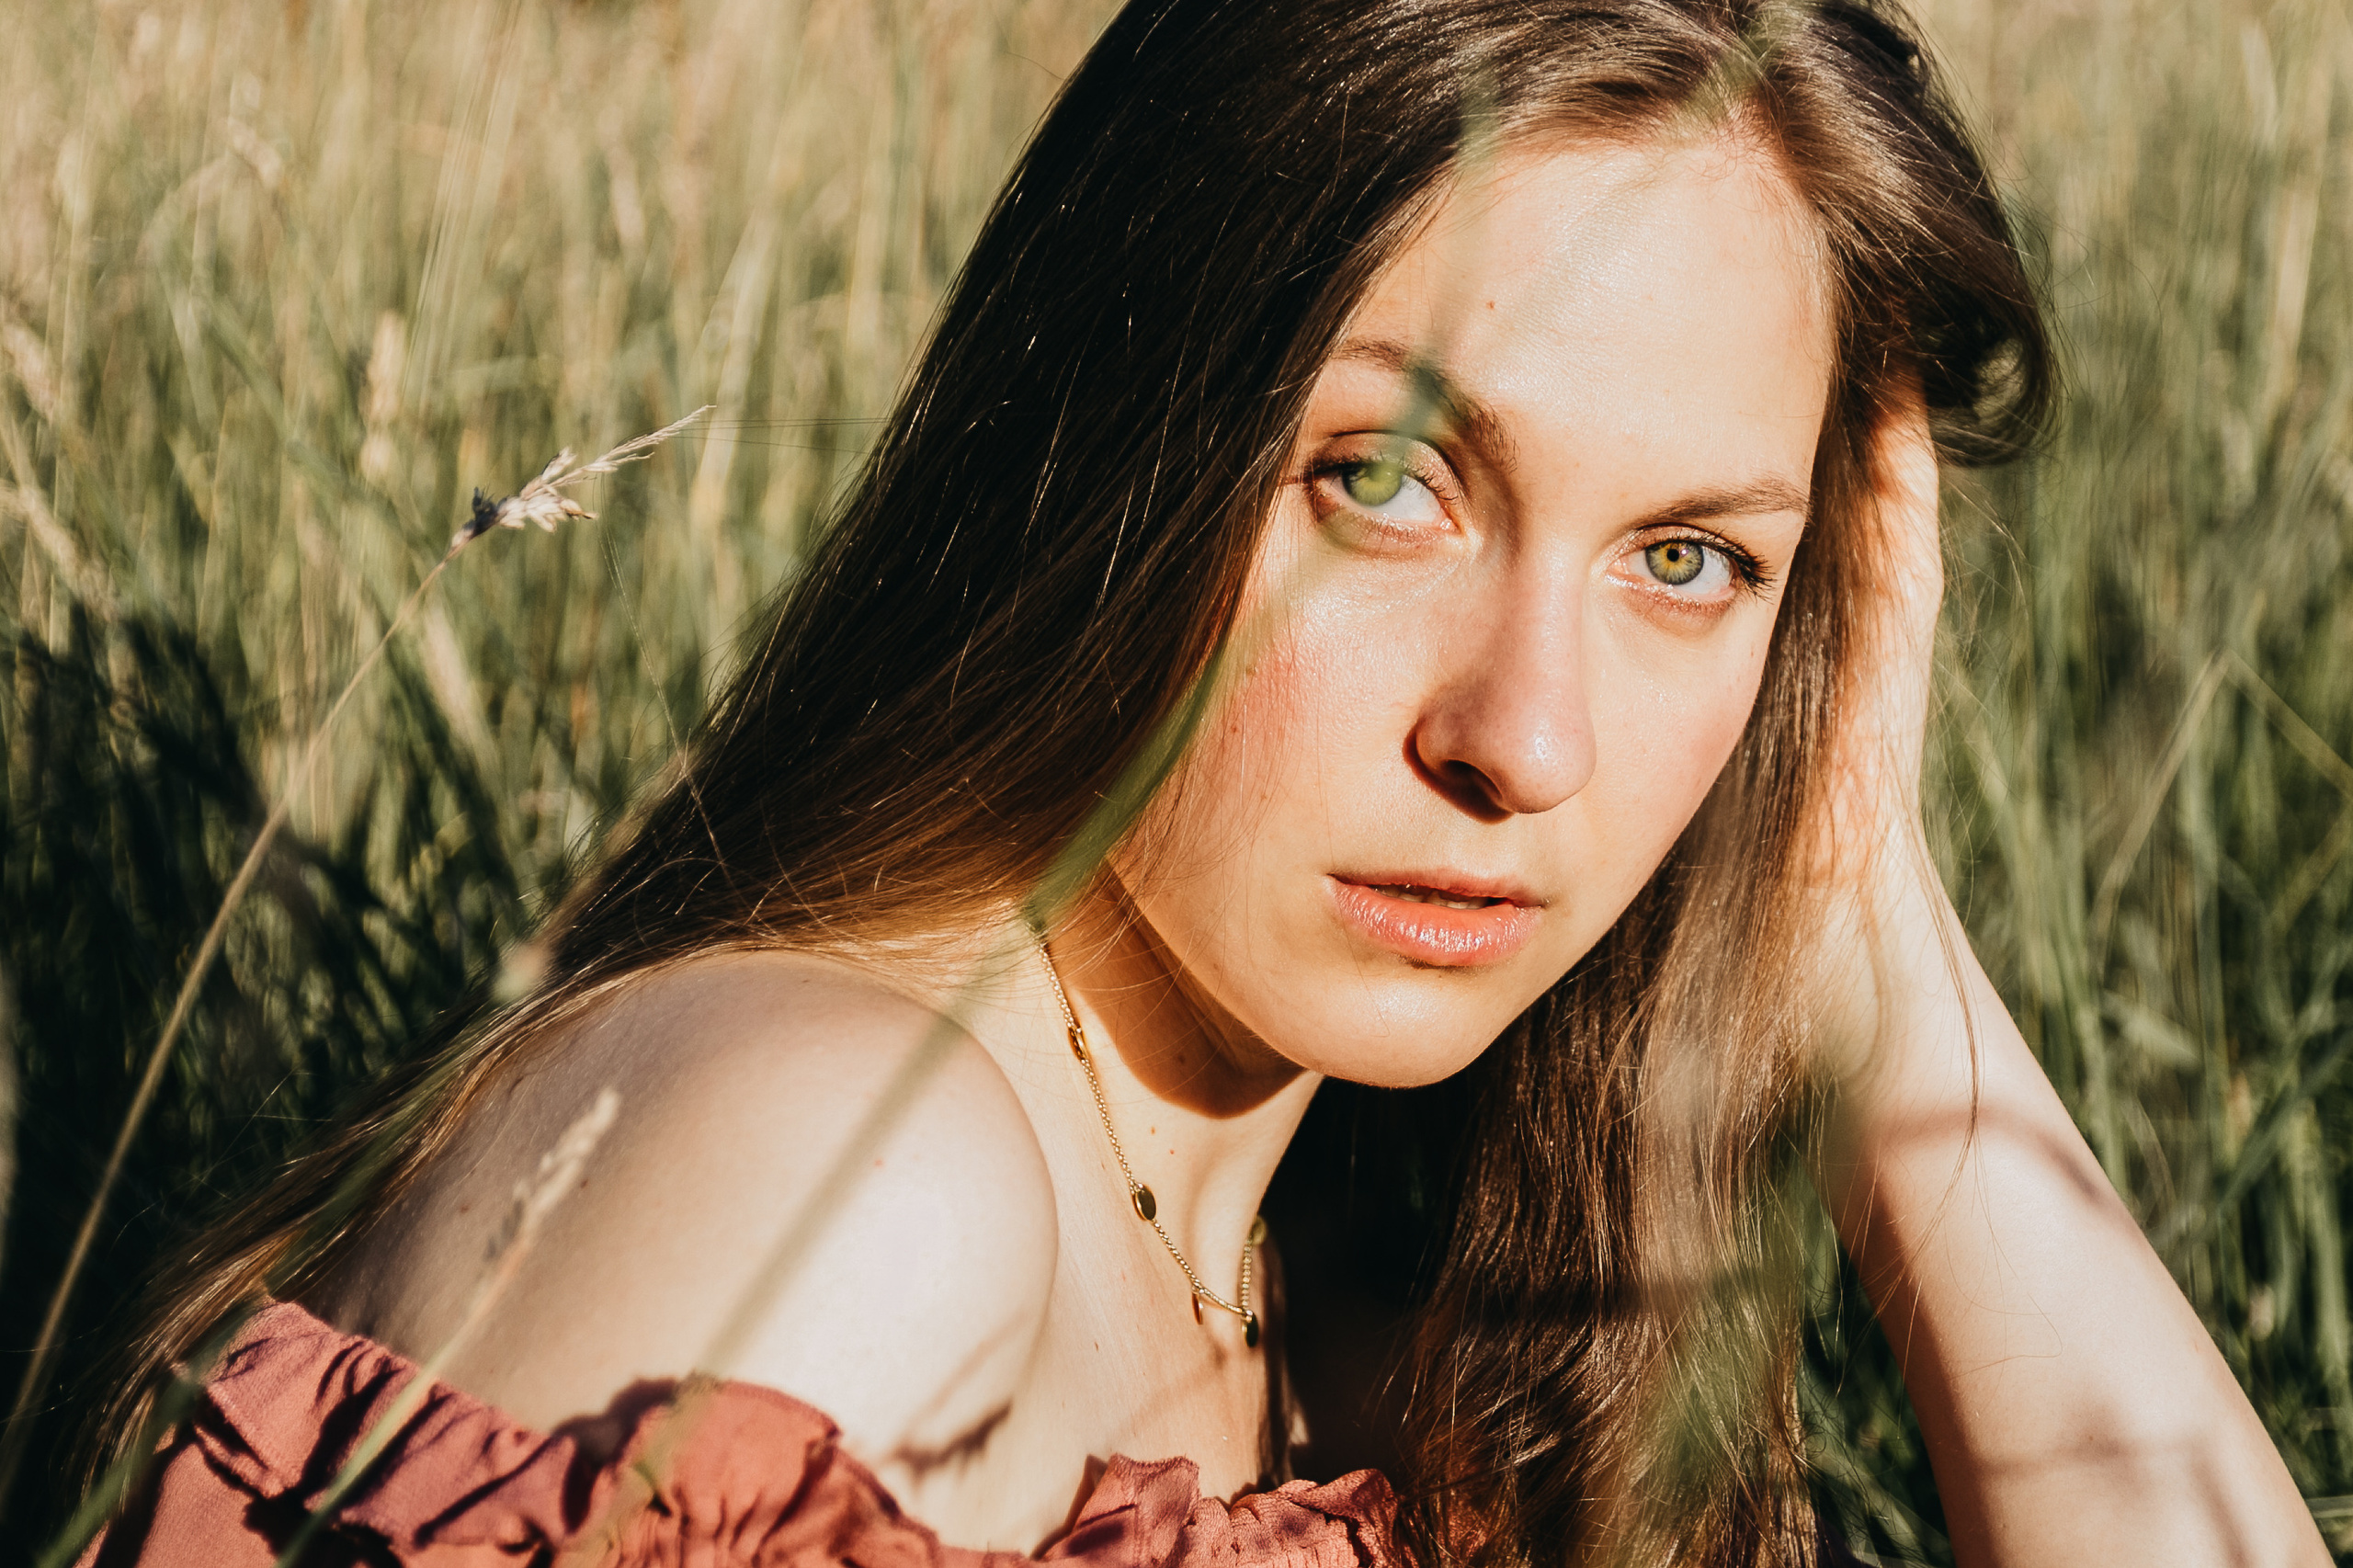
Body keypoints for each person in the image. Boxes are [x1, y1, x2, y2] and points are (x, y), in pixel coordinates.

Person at [79, 0, 2324, 1563]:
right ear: (1109, 451)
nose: (1521, 740)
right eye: (1383, 483)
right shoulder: (852, 1173)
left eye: (1684, 559)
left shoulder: (1354, 1280)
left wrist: (1855, 920)